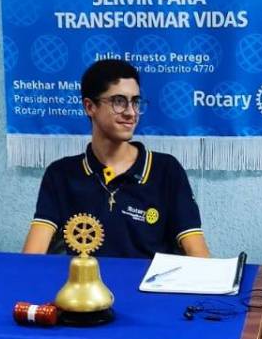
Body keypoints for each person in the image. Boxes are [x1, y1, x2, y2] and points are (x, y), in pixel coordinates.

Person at [22, 58, 211, 260]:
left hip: (150, 289)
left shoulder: (166, 170)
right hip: (83, 288)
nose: (131, 113)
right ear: (90, 107)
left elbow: (197, 252)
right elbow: (32, 257)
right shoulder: (61, 174)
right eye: (119, 102)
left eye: (136, 102)